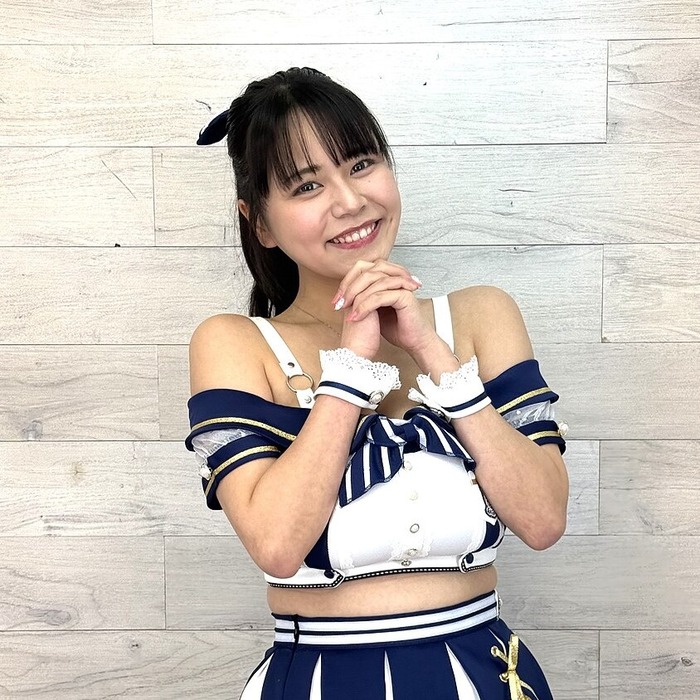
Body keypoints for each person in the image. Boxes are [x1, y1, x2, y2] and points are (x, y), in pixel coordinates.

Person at [185, 67, 569, 700]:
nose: (349, 201)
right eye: (308, 185)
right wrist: (352, 364)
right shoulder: (235, 344)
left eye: (361, 165)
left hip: (485, 677)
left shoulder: (482, 316)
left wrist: (433, 352)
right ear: (260, 224)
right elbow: (278, 545)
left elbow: (543, 519)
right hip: (322, 682)